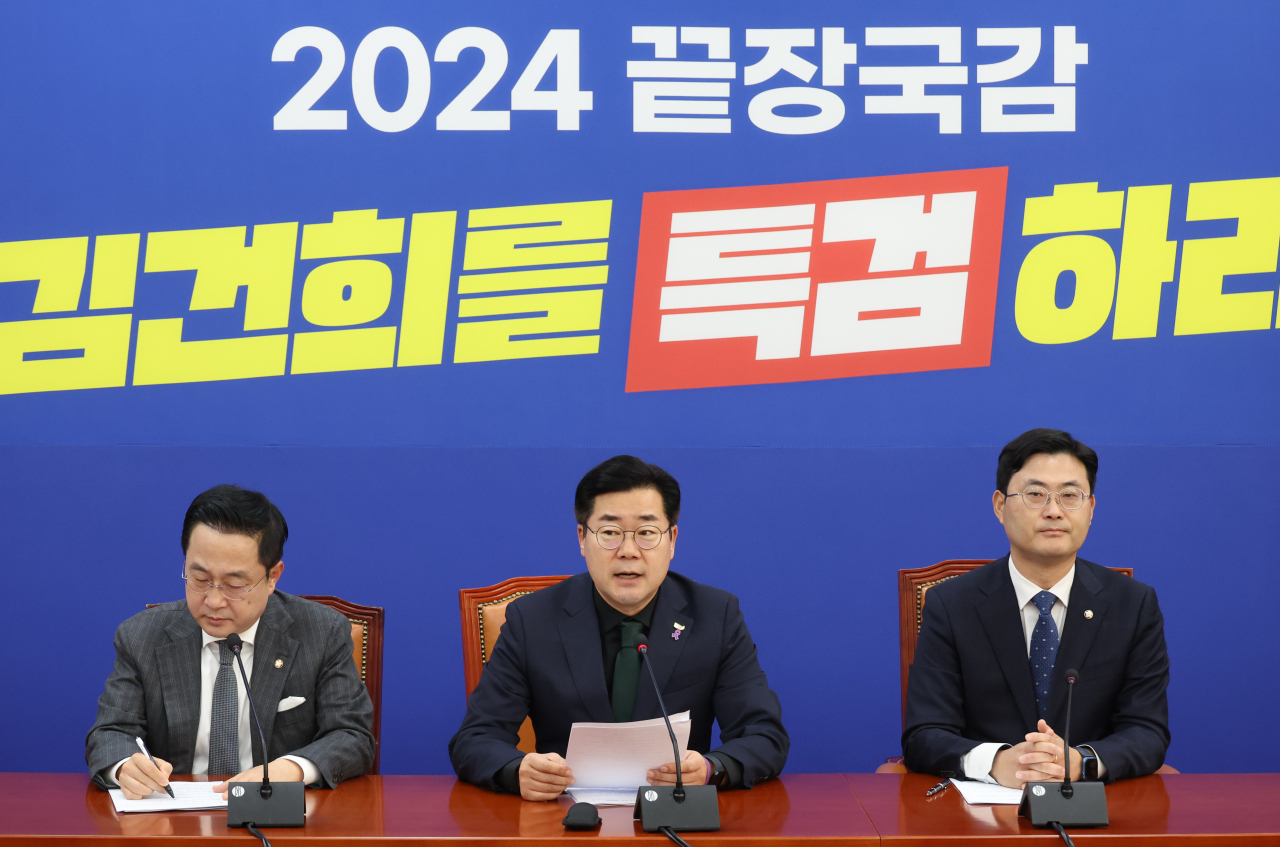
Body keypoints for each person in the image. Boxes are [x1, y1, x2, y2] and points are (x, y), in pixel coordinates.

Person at [450, 455, 789, 800]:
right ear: (582, 538)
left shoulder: (715, 616)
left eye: (646, 533)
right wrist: (516, 771)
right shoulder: (532, 620)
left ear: (672, 540)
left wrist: (709, 768)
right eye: (610, 532)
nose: (628, 551)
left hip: (676, 815)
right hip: (563, 820)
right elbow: (475, 740)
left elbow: (764, 736)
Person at [903, 429, 1170, 787]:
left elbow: (1147, 730)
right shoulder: (952, 604)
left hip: (1095, 810)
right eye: (1035, 495)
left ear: (1090, 509)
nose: (1054, 511)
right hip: (982, 815)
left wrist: (1080, 761)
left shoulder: (1132, 604)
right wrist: (997, 761)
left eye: (1070, 495)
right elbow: (924, 734)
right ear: (1000, 506)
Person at [86, 485, 376, 799]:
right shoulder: (141, 636)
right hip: (172, 823)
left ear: (272, 576)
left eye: (234, 584)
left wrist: (291, 768)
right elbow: (110, 733)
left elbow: (352, 735)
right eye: (199, 579)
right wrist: (126, 765)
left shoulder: (321, 632)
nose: (213, 600)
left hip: (278, 817)